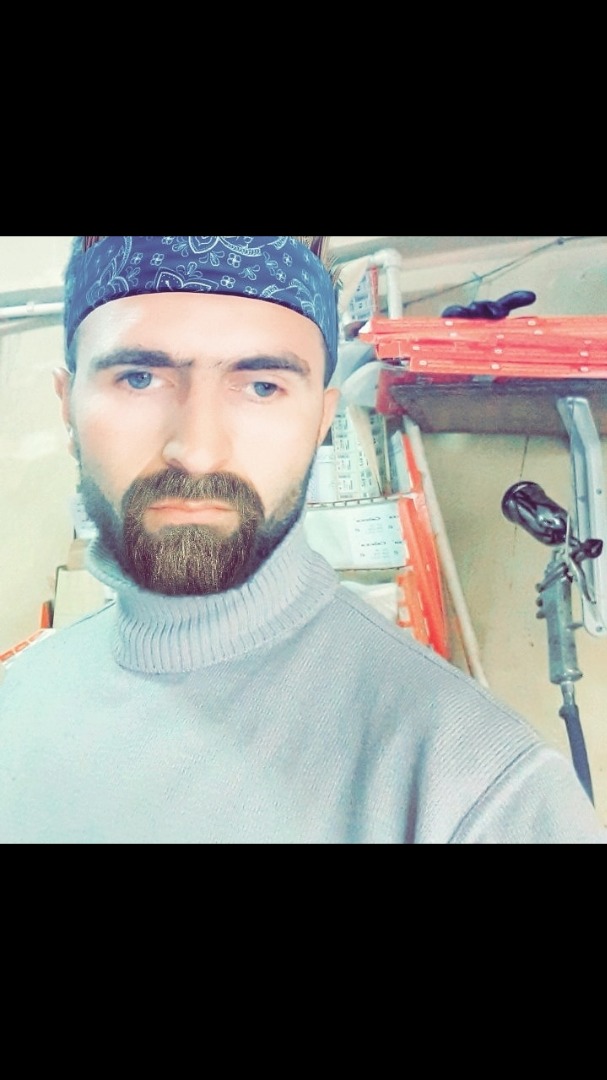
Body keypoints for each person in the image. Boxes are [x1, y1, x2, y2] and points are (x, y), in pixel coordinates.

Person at [0, 234, 605, 845]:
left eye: (262, 386)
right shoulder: (17, 702)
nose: (197, 450)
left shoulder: (482, 798)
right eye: (139, 378)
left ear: (321, 419)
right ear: (67, 408)